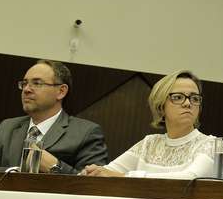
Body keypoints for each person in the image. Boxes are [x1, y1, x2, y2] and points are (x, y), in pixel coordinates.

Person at [82, 70, 215, 179]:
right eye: (178, 97)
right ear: (161, 106)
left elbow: (188, 178)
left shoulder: (210, 144)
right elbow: (107, 171)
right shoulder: (149, 143)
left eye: (194, 98)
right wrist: (93, 172)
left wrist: (122, 176)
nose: (188, 103)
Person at [0, 59, 108, 173]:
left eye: (37, 83)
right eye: (24, 83)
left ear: (61, 91)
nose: (26, 89)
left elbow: (94, 184)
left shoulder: (86, 133)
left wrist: (55, 167)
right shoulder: (7, 127)